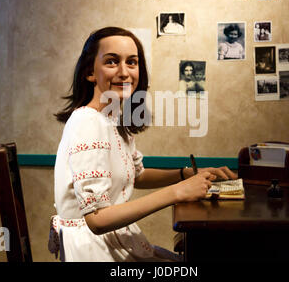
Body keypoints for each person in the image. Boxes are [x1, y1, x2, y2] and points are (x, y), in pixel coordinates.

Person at [49, 27, 237, 262]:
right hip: (94, 252)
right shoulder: (87, 122)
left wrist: (185, 175)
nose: (124, 72)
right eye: (111, 62)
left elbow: (137, 176)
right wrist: (178, 192)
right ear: (90, 72)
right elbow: (96, 219)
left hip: (113, 243)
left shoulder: (113, 119)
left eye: (132, 62)